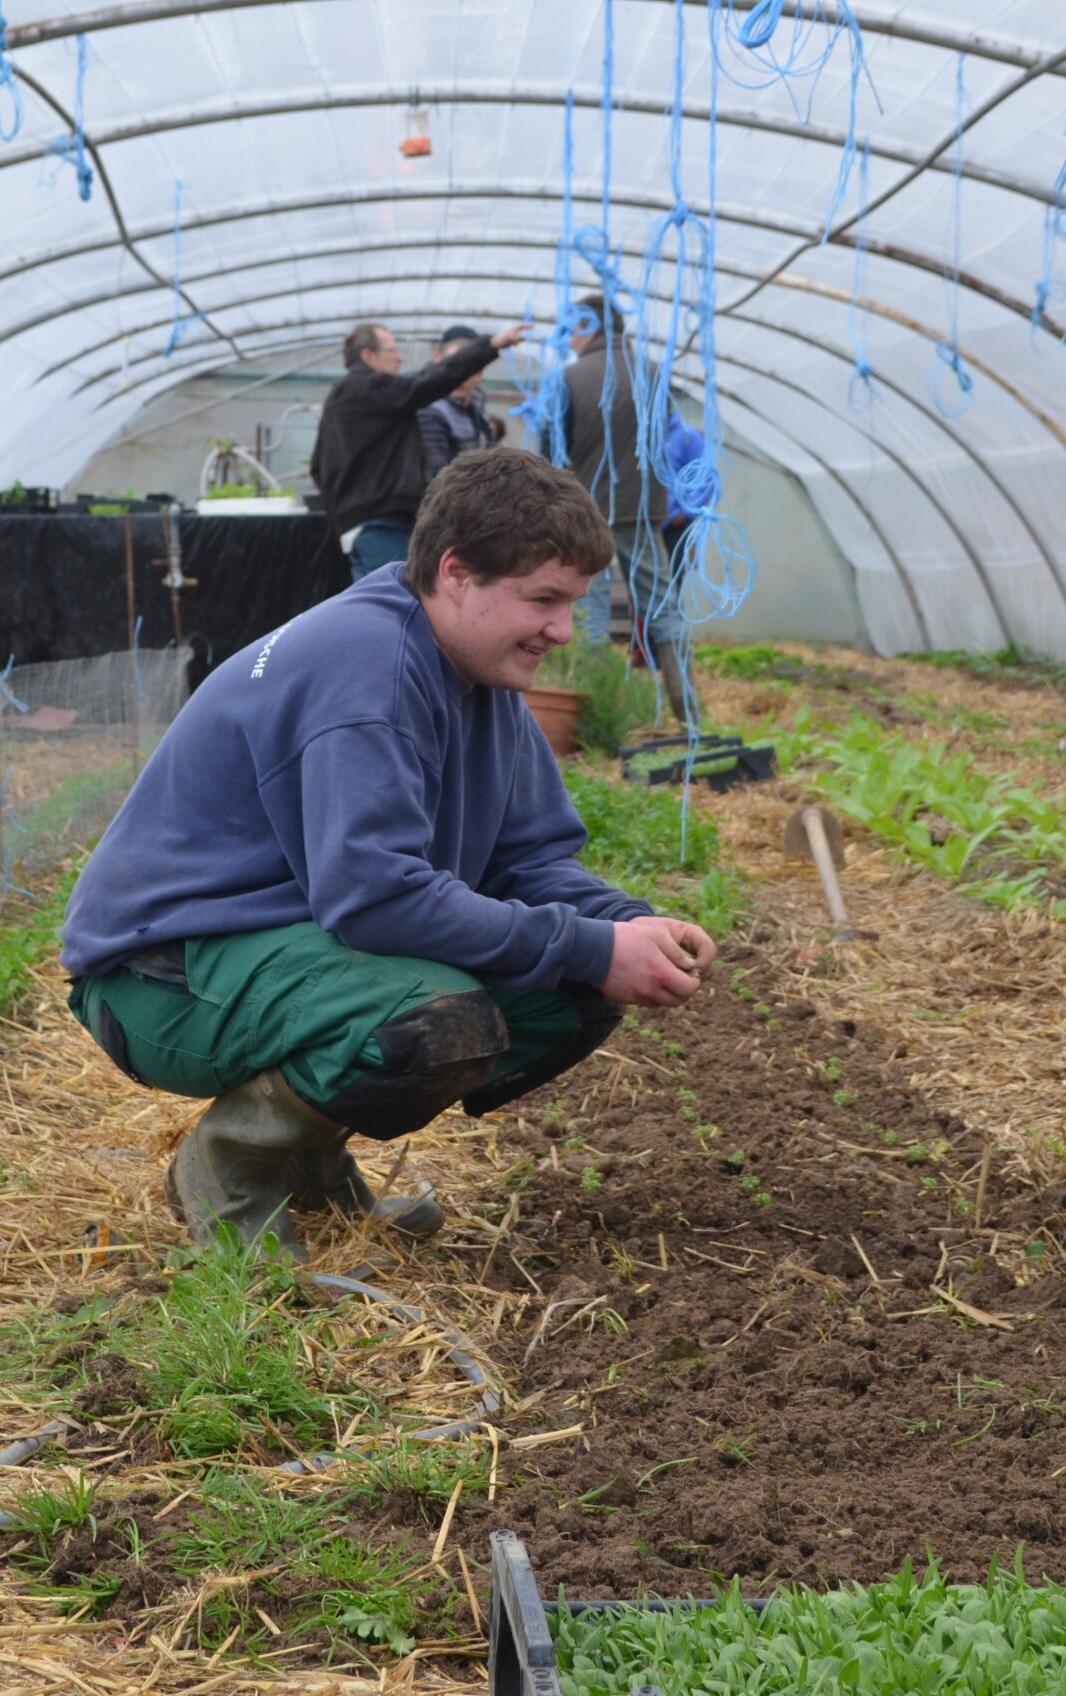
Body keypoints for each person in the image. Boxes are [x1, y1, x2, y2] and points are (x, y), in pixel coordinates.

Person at [59, 447, 719, 1259]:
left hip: (282, 949)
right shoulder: (366, 668)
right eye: (543, 600)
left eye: (573, 602)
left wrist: (627, 927)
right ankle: (230, 1164)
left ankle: (310, 1167)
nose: (560, 629)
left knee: (575, 993)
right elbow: (374, 896)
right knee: (433, 1020)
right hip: (161, 976)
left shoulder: (480, 675)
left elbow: (532, 857)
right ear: (455, 573)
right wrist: (587, 943)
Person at [560, 294, 695, 724]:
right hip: (642, 510)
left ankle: (597, 717)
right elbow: (667, 439)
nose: (568, 340)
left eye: (572, 330)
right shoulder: (653, 374)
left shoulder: (569, 378)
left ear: (589, 329)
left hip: (587, 513)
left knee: (590, 609)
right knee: (662, 606)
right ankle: (689, 715)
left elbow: (553, 451)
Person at [312, 320, 528, 583]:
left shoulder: (340, 397)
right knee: (397, 605)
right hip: (384, 524)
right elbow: (428, 382)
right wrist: (491, 345)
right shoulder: (372, 389)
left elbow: (316, 467)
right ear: (368, 355)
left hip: (356, 527)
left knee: (373, 605)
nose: (400, 358)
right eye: (392, 350)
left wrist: (344, 511)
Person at [418, 325, 507, 476]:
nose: (459, 376)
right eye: (453, 366)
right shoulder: (431, 412)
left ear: (480, 373)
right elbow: (437, 475)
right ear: (438, 360)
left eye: (468, 367)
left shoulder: (477, 410)